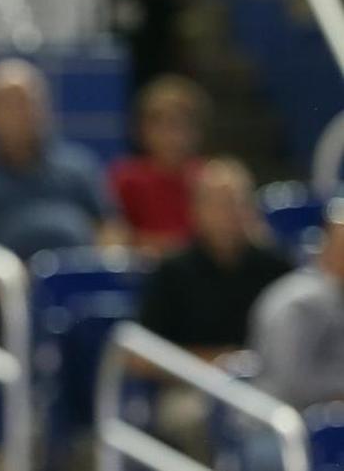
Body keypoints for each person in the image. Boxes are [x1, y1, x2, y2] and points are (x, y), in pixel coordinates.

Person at [138, 158, 290, 461]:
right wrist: (214, 363)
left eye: (237, 203)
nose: (229, 214)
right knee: (199, 419)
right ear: (196, 210)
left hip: (264, 386)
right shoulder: (173, 271)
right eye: (219, 204)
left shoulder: (275, 267)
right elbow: (141, 357)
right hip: (192, 389)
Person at [0, 58, 124, 262]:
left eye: (28, 102)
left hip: (76, 285)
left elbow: (109, 227)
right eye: (9, 103)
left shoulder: (78, 168)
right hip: (3, 289)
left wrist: (106, 260)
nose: (20, 113)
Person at [250, 198, 344, 409]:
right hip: (277, 423)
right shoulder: (301, 301)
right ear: (327, 247)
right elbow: (291, 382)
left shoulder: (336, 294)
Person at [110, 75, 209, 258]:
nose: (171, 136)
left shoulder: (209, 179)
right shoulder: (126, 178)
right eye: (160, 124)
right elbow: (115, 236)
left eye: (180, 125)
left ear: (196, 131)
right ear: (143, 130)